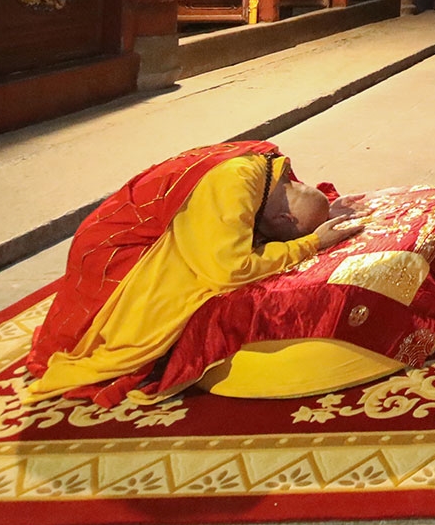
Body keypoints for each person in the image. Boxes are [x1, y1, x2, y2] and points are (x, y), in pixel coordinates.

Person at [25, 141, 357, 405]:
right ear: (285, 222)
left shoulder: (269, 164)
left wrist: (318, 212)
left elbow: (292, 202)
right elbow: (230, 268)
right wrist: (309, 244)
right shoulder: (234, 185)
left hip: (122, 224)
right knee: (197, 286)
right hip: (118, 255)